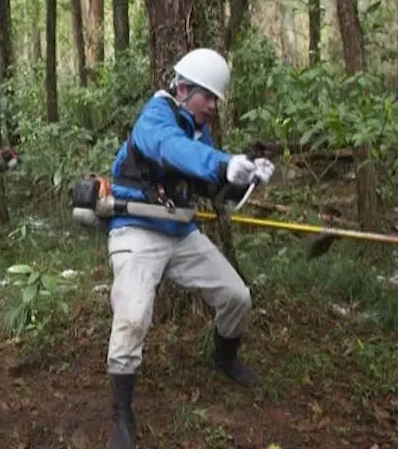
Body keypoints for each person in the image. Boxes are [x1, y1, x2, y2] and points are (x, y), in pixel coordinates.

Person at [104, 48, 275, 448]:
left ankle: (224, 360)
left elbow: (211, 187)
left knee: (237, 297)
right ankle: (120, 413)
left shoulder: (200, 130)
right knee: (132, 318)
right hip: (136, 230)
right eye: (208, 97)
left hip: (179, 231)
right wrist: (221, 162)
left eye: (216, 99)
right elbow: (170, 149)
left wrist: (245, 175)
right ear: (183, 89)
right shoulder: (156, 115)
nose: (213, 106)